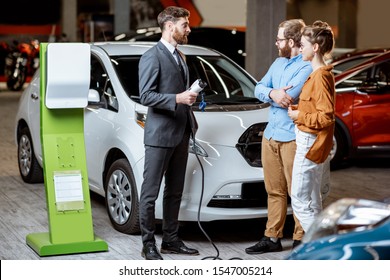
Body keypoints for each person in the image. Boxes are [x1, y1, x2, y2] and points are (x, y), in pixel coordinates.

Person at [138, 6, 200, 260]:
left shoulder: (181, 56)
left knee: (175, 191)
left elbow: (178, 94)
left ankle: (171, 240)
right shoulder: (151, 56)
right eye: (184, 25)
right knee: (150, 193)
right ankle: (148, 244)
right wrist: (178, 97)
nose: (188, 29)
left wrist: (189, 98)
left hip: (181, 132)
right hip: (160, 135)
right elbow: (146, 95)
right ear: (170, 26)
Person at [245, 19, 312, 255]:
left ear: (291, 41)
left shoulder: (306, 66)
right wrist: (272, 91)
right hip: (270, 135)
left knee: (298, 192)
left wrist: (271, 94)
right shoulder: (277, 62)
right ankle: (272, 237)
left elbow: (290, 96)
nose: (277, 43)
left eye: (280, 39)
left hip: (292, 137)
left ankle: (300, 240)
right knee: (274, 191)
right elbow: (258, 88)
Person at [287, 21, 335, 233]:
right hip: (310, 141)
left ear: (315, 47)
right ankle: (324, 251)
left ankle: (321, 246)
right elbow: (318, 107)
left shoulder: (320, 76)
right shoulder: (318, 74)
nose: (300, 48)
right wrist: (301, 108)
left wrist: (299, 114)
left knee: (299, 199)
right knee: (313, 201)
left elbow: (326, 117)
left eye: (304, 44)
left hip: (309, 142)